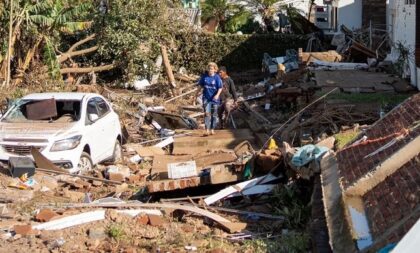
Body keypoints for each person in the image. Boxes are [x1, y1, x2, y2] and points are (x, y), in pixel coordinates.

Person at [198, 62, 223, 136]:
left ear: (215, 70)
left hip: (214, 99)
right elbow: (200, 86)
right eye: (209, 68)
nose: (210, 70)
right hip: (206, 98)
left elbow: (220, 88)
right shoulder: (204, 77)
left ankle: (212, 129)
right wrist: (195, 94)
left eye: (212, 69)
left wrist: (217, 95)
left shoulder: (217, 77)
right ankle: (207, 130)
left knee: (214, 114)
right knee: (207, 113)